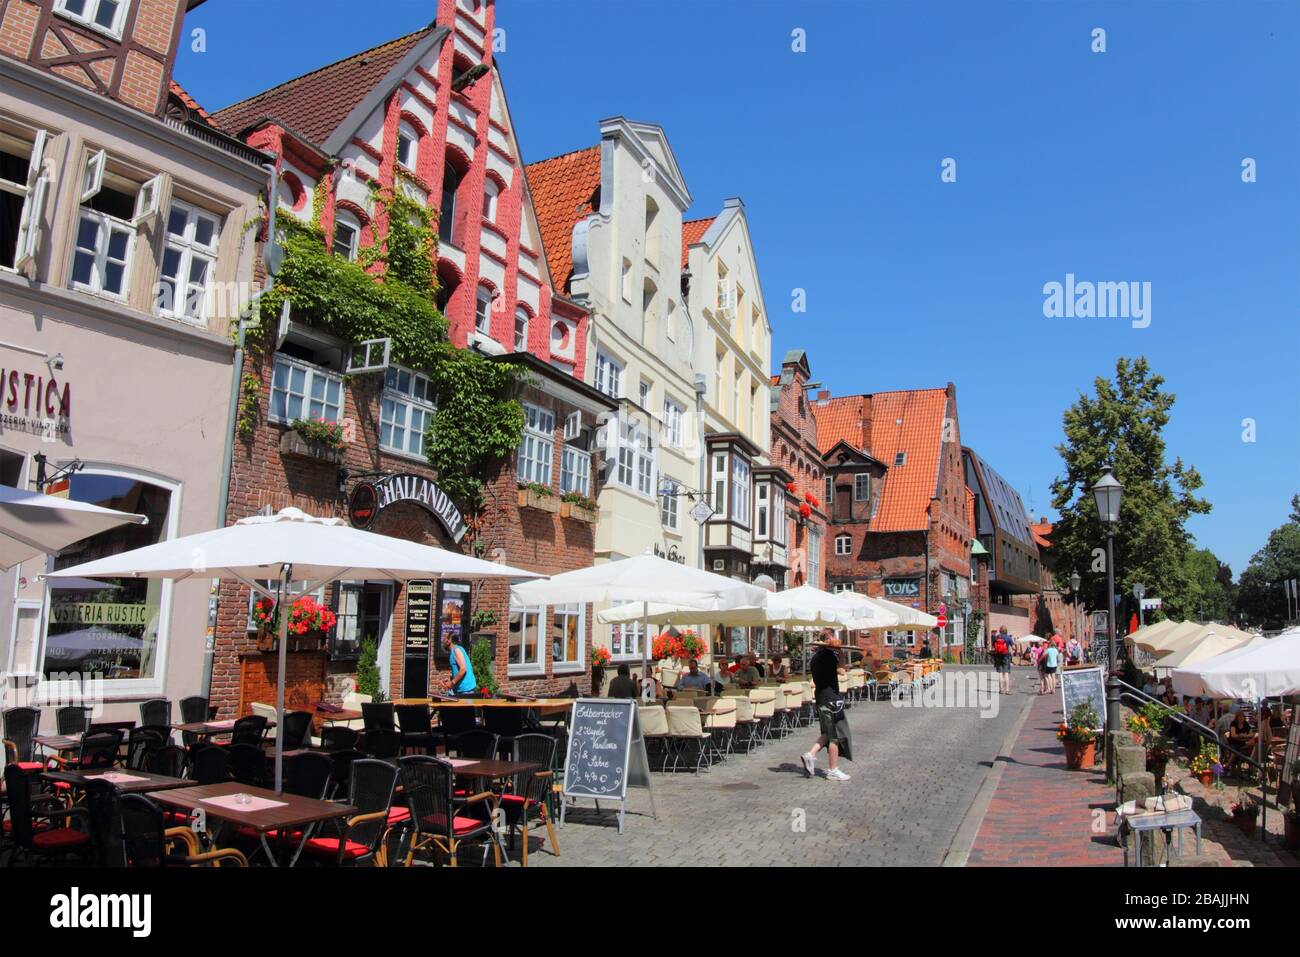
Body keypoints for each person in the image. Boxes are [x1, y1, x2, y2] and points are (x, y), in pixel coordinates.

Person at [800, 637, 851, 782]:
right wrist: (841, 654)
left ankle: (811, 755)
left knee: (827, 733)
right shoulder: (829, 656)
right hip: (831, 700)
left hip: (821, 698)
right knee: (834, 736)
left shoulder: (815, 658)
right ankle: (832, 770)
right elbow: (842, 671)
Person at [443, 632, 477, 697]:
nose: (443, 641)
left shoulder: (456, 650)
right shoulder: (455, 650)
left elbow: (463, 669)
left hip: (466, 691)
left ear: (449, 640)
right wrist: (451, 681)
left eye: (444, 638)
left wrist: (452, 683)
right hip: (462, 690)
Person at [991, 627, 1012, 695]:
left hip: (998, 657)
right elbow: (1014, 647)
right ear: (1006, 631)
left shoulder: (997, 638)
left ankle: (1001, 690)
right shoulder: (1008, 638)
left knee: (1000, 673)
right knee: (1006, 673)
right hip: (1006, 657)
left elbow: (993, 646)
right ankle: (1007, 690)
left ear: (1000, 631)